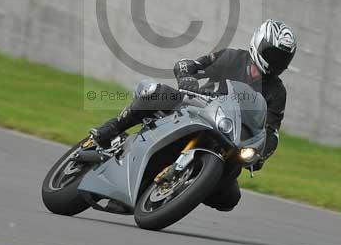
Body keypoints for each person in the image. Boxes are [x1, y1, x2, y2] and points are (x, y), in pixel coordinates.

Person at [89, 19, 297, 211]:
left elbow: (271, 131)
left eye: (283, 59)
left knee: (229, 199)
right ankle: (113, 127)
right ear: (258, 44)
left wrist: (260, 154)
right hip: (197, 107)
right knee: (156, 93)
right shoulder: (232, 57)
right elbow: (189, 66)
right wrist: (187, 76)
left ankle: (181, 189)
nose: (277, 62)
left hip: (230, 139)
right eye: (274, 55)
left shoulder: (277, 92)